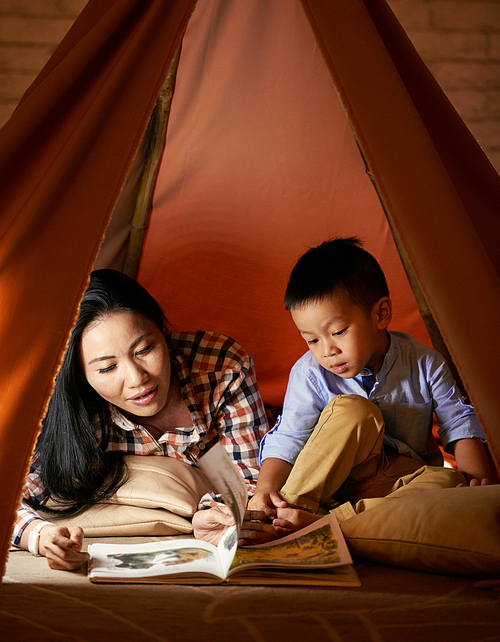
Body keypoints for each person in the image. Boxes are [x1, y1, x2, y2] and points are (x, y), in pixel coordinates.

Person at [13, 269, 275, 570]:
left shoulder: (221, 367)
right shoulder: (75, 411)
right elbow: (12, 494)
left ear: (163, 332)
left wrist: (210, 513)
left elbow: (250, 475)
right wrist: (41, 536)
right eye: (107, 368)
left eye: (145, 349)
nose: (138, 378)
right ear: (82, 377)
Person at [249, 237, 496, 534]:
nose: (327, 350)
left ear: (380, 314)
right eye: (312, 340)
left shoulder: (425, 363)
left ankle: (338, 524)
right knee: (354, 410)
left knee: (451, 481)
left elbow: (458, 422)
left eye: (338, 332)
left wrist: (477, 485)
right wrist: (265, 488)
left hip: (398, 486)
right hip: (330, 488)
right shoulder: (310, 374)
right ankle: (287, 515)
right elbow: (289, 436)